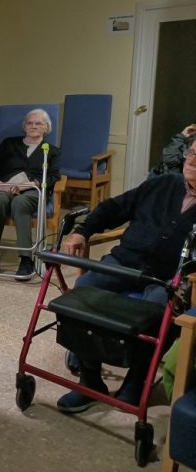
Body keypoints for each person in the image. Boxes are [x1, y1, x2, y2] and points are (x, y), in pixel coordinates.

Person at [55, 136, 196, 413]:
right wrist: (82, 231)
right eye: (191, 153)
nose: (192, 160)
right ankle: (90, 380)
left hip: (168, 278)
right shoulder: (162, 184)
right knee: (82, 291)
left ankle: (136, 382)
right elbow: (114, 208)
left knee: (159, 312)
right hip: (124, 262)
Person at [0, 108, 61, 278]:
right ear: (24, 126)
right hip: (5, 187)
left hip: (33, 191)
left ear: (46, 128)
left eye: (38, 123)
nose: (33, 126)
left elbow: (54, 176)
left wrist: (30, 185)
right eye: (29, 123)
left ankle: (26, 259)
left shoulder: (52, 150)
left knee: (20, 203)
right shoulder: (9, 144)